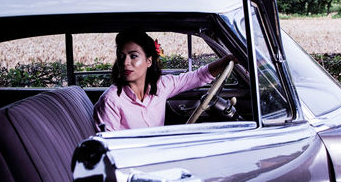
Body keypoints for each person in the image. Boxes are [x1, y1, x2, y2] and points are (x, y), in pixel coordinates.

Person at [93, 29, 236, 131]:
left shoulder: (161, 85)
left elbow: (198, 77)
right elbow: (109, 149)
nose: (125, 63)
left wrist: (227, 60)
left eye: (133, 56)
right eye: (122, 56)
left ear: (149, 61)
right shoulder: (111, 101)